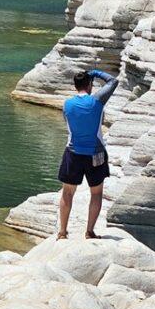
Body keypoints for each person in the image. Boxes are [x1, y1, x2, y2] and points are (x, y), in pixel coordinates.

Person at [56, 68, 118, 240]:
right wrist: (95, 72)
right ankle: (89, 232)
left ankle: (62, 232)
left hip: (73, 153)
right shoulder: (97, 100)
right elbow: (113, 81)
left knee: (67, 193)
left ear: (75, 86)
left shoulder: (67, 104)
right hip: (95, 154)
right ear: (90, 85)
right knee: (96, 193)